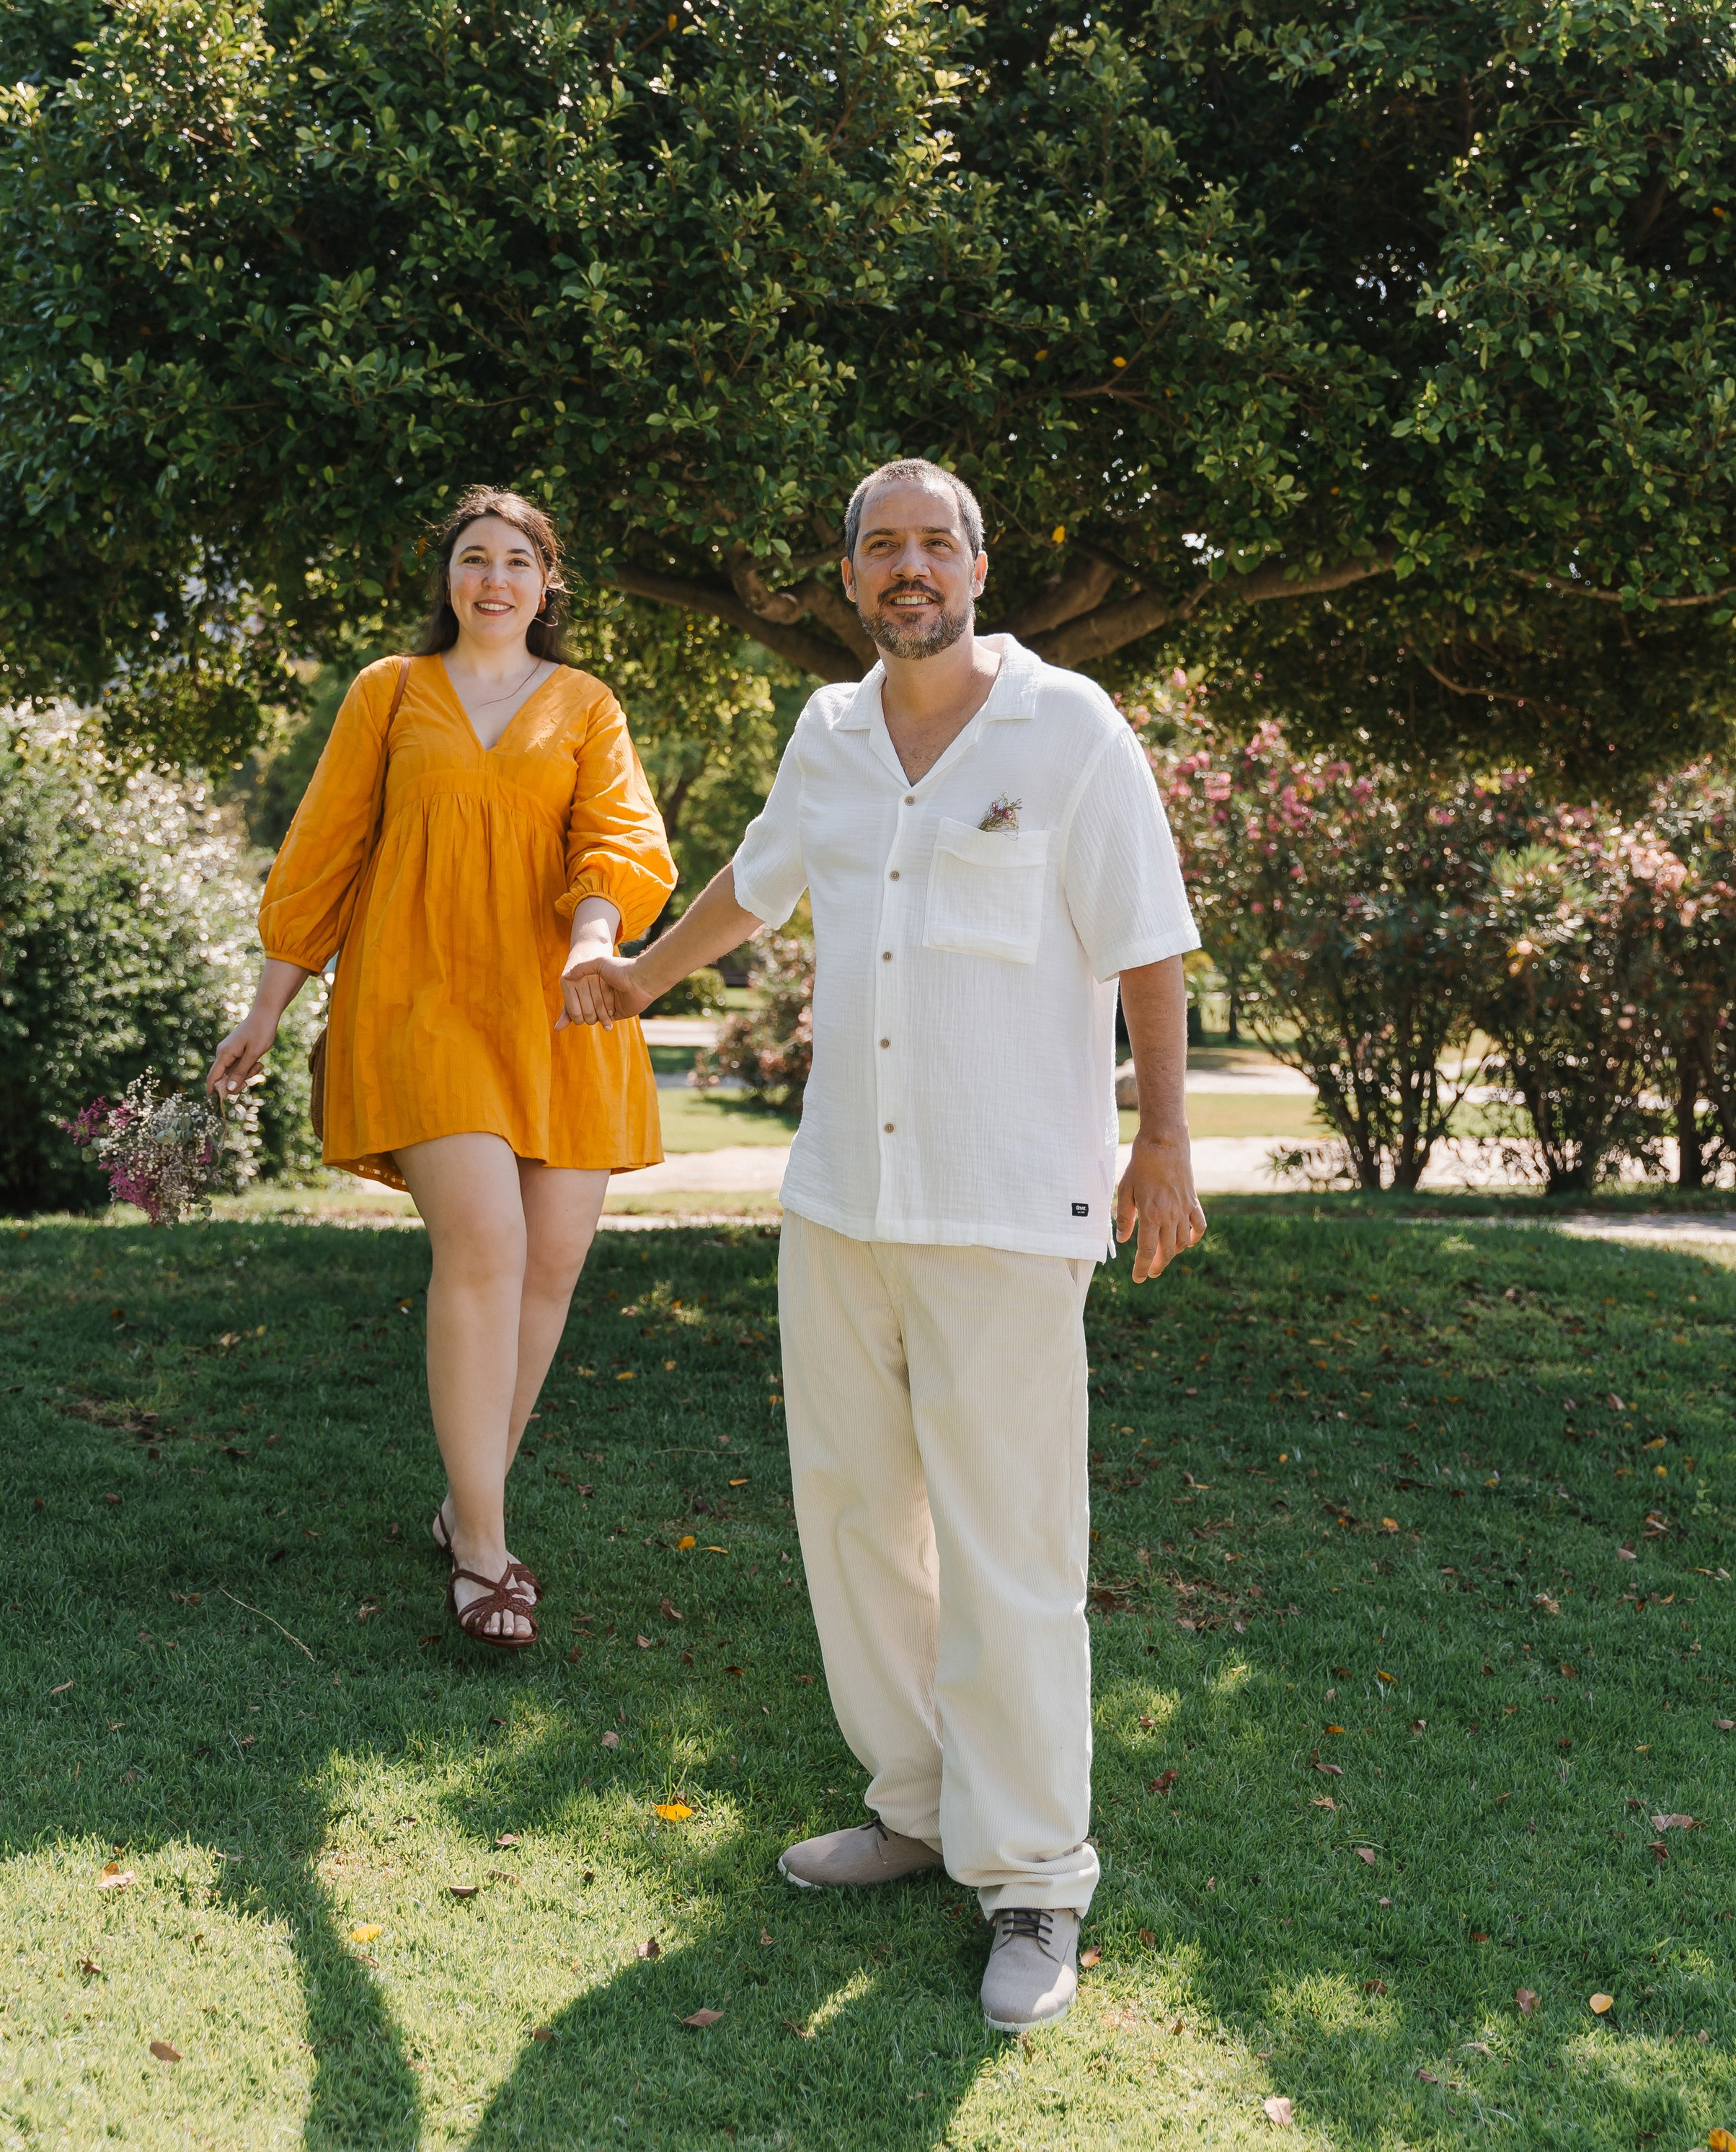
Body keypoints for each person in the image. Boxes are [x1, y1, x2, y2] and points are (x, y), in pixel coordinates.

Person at [567, 458, 1204, 2032]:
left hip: (1004, 1208)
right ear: (848, 579)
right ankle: (915, 1810)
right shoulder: (830, 735)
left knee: (1010, 1549)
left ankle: (1037, 1880)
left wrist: (1165, 1140)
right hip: (839, 1199)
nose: (908, 567)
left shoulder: (1068, 730)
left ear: (979, 567)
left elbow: (1146, 937)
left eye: (935, 543)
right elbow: (759, 881)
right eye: (881, 548)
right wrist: (644, 979)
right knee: (855, 1521)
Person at [208, 487, 675, 1650]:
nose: (494, 579)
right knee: (488, 1243)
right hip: (419, 999)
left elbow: (618, 837)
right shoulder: (390, 691)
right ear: (450, 579)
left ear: (546, 584)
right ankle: (483, 1549)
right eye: (474, 559)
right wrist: (271, 1000)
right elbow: (325, 845)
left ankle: (470, 1496)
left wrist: (595, 937)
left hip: (563, 1008)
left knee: (554, 1260)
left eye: (517, 561)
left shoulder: (586, 703)